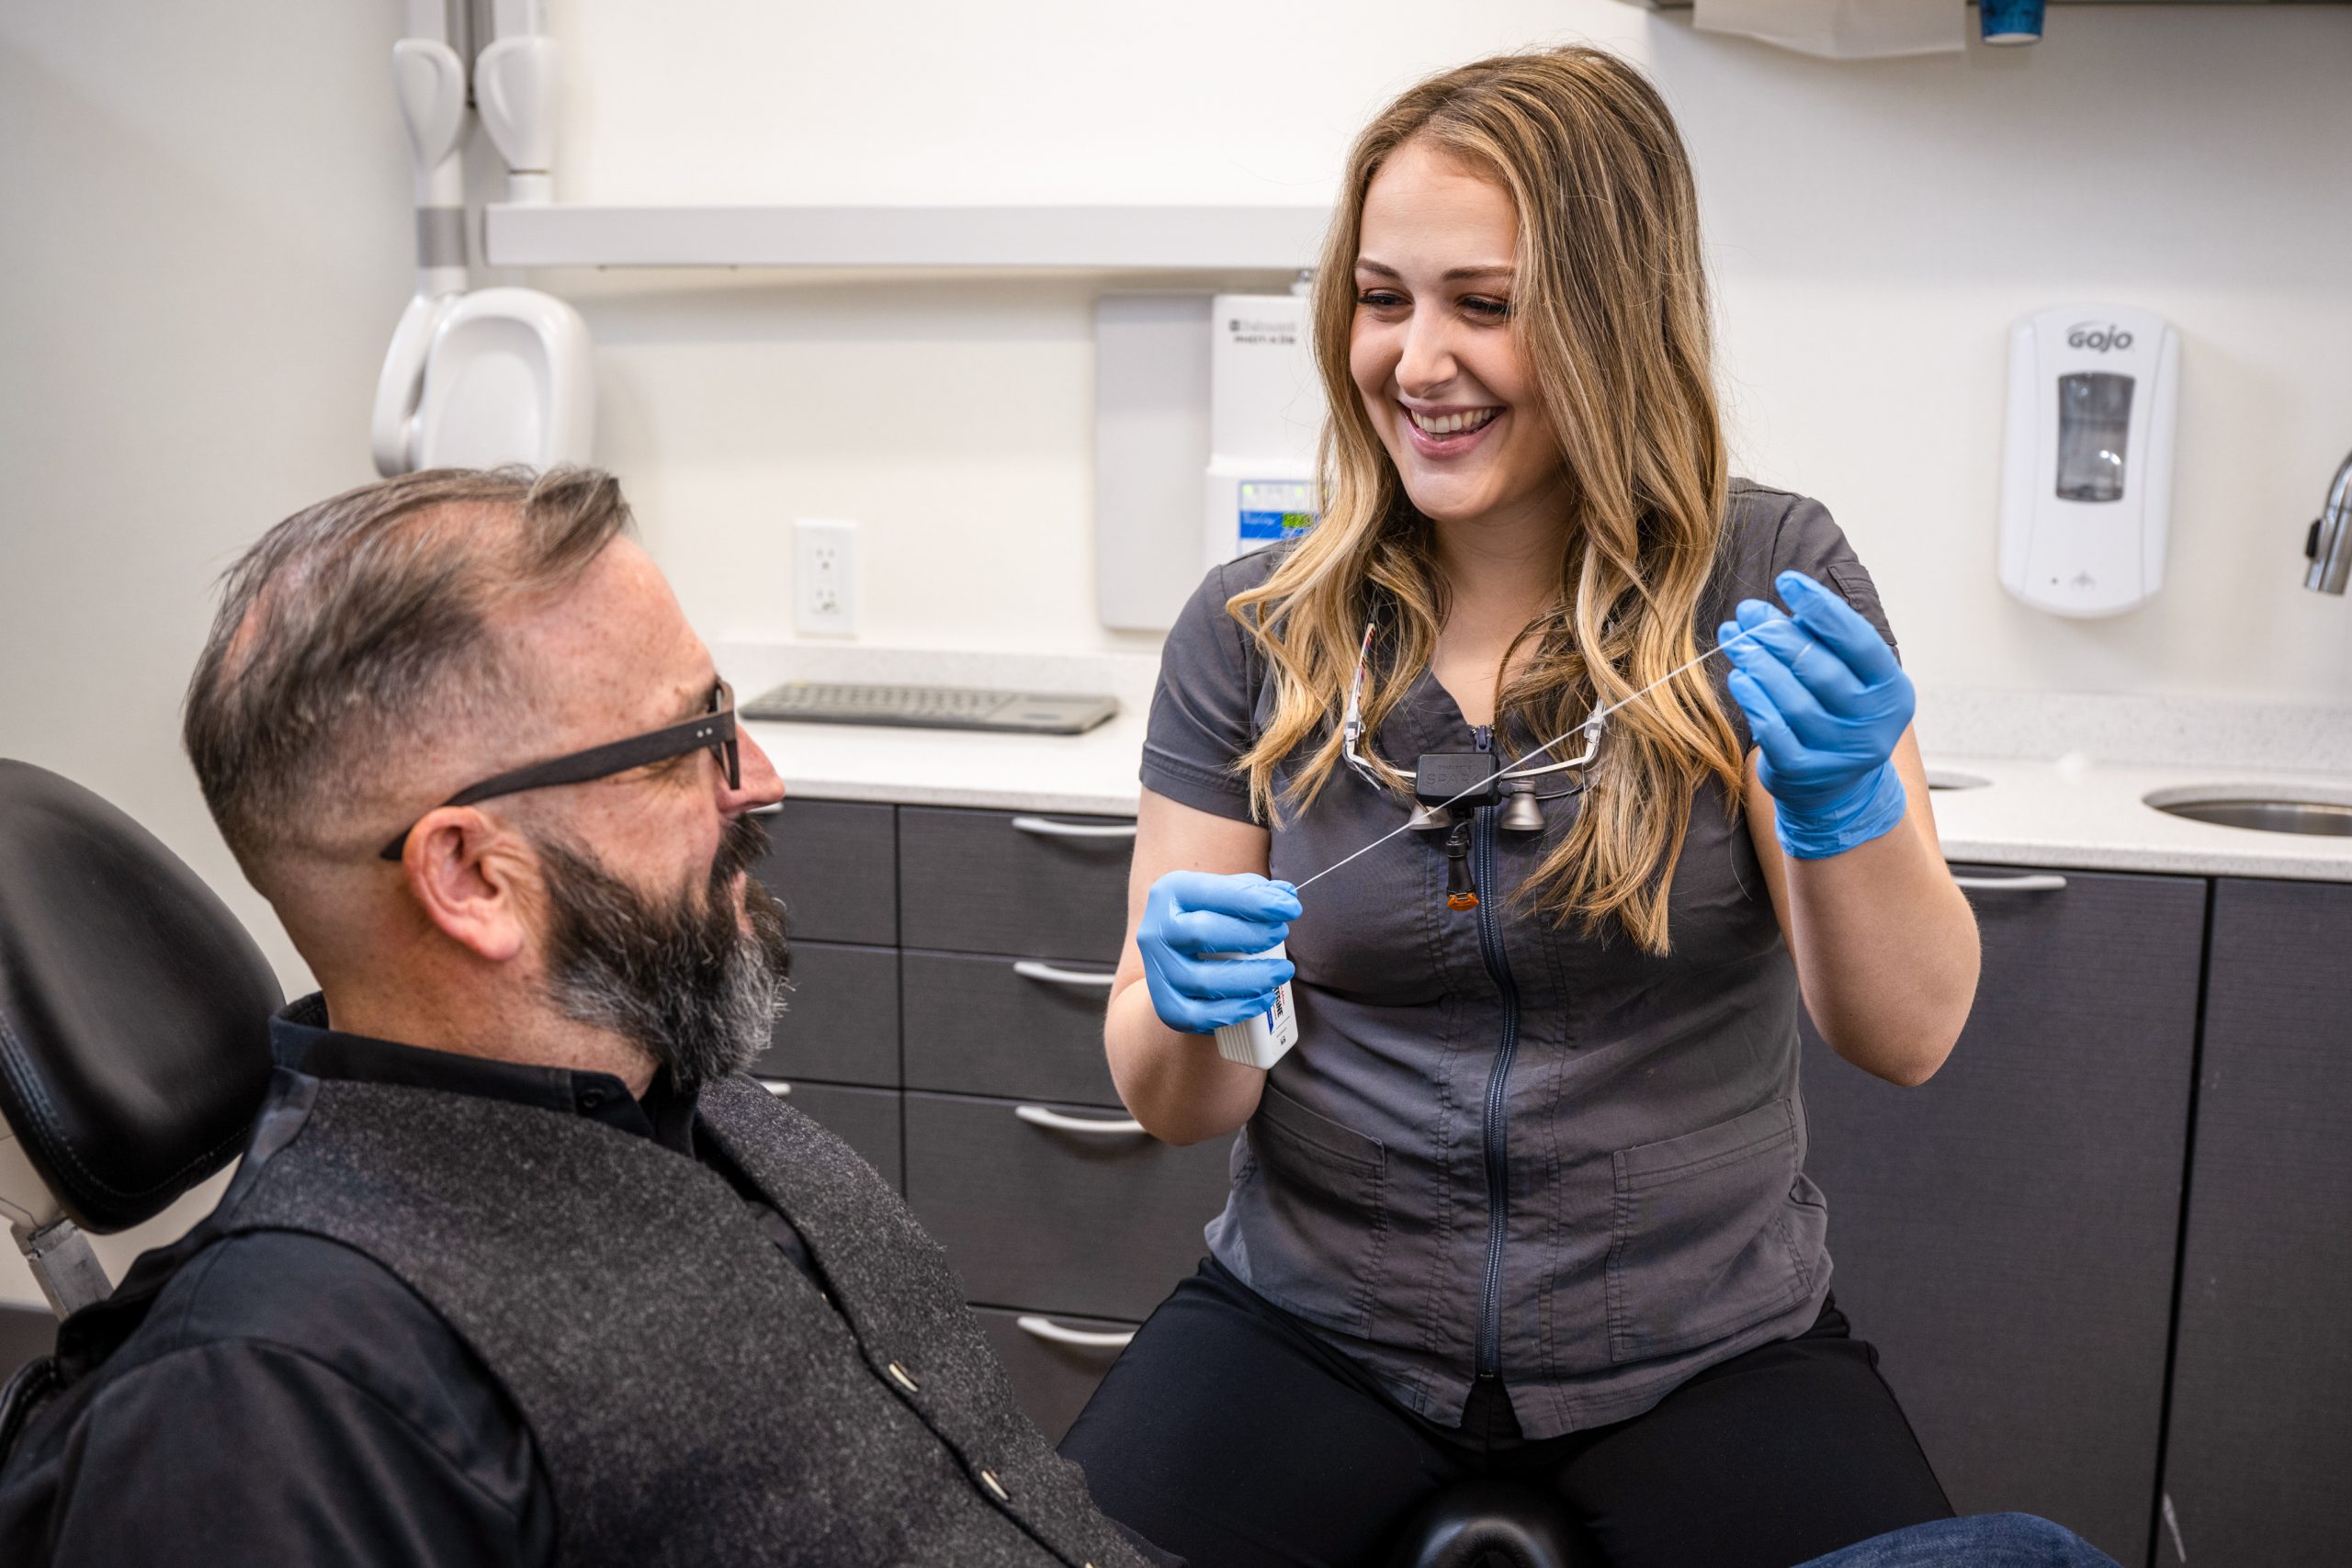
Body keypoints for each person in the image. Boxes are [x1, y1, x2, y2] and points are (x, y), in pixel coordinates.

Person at [1061, 47, 1984, 1568]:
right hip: (1314, 1326)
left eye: (1483, 305)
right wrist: (1184, 1003)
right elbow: (1173, 1103)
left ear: (1613, 316)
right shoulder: (1254, 628)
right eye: (1383, 299)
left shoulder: (1766, 584)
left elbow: (1912, 1031)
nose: (1418, 360)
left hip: (1706, 1350)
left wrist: (1845, 817)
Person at [0, 468, 1170, 1568]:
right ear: (473, 877)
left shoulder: (674, 1089)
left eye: (727, 715)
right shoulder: (280, 1403)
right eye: (689, 744)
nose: (759, 779)